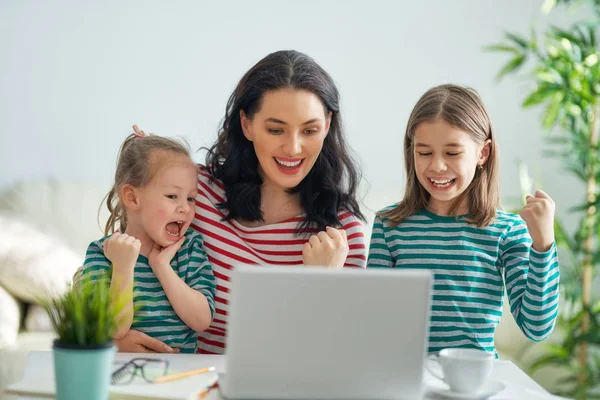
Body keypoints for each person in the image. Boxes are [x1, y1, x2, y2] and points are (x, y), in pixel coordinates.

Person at [113, 50, 367, 353]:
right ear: (246, 124)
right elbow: (114, 267)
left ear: (327, 125)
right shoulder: (195, 195)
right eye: (275, 130)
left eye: (309, 130)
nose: (294, 148)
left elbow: (339, 354)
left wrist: (319, 282)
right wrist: (112, 341)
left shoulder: (342, 235)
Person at [368, 84, 559, 356]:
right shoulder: (389, 226)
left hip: (475, 382)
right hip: (406, 377)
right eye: (424, 153)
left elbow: (536, 328)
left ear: (483, 153)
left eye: (452, 153)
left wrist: (543, 245)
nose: (437, 166)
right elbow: (372, 321)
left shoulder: (508, 231)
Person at [75, 129, 216, 353]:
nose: (186, 208)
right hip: (123, 372)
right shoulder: (103, 253)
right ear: (132, 197)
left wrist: (161, 268)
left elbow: (201, 320)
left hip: (181, 378)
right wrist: (122, 268)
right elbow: (113, 329)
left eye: (191, 198)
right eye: (172, 196)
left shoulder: (189, 248)